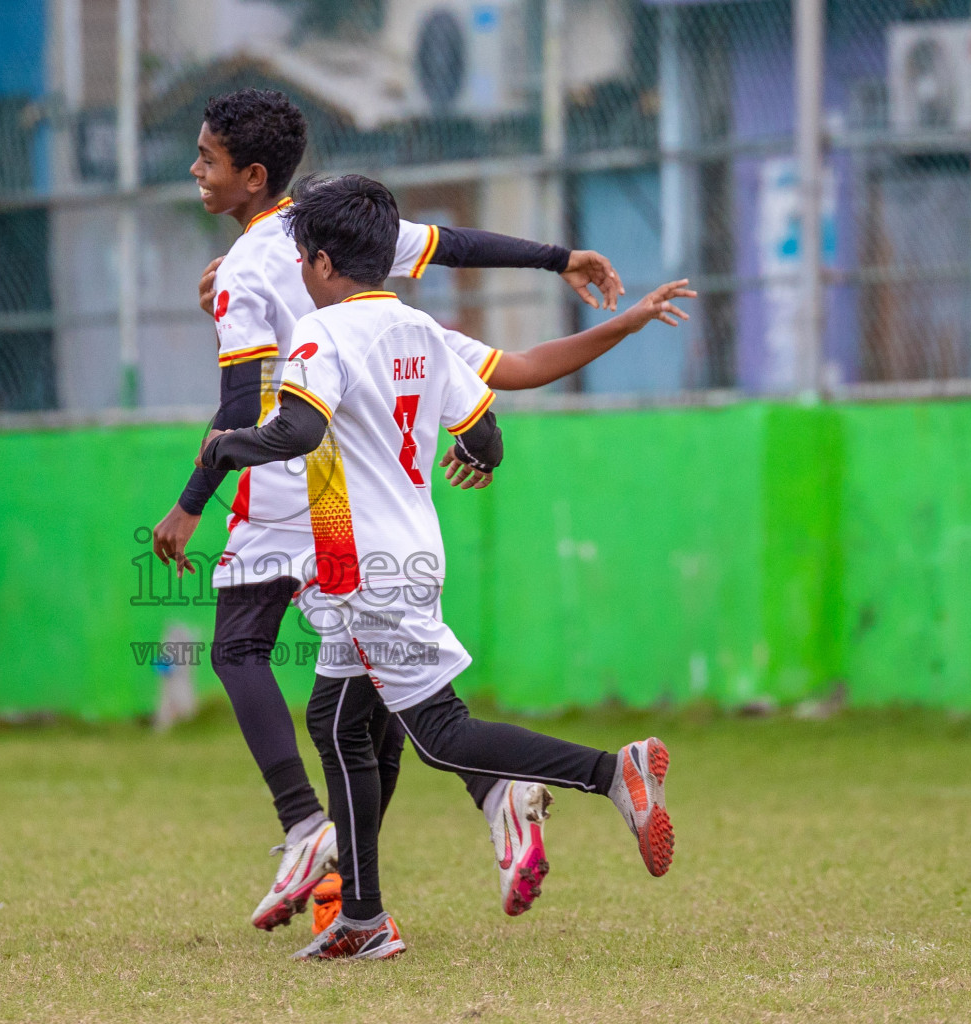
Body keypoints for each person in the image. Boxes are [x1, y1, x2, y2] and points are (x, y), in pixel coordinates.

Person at [149, 87, 642, 931]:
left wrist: (195, 497)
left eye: (206, 157)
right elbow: (457, 252)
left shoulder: (277, 270)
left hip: (305, 488)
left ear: (254, 176)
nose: (194, 168)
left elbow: (249, 407)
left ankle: (316, 833)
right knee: (359, 710)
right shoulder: (360, 243)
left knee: (255, 653)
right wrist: (558, 260)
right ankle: (379, 893)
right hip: (366, 505)